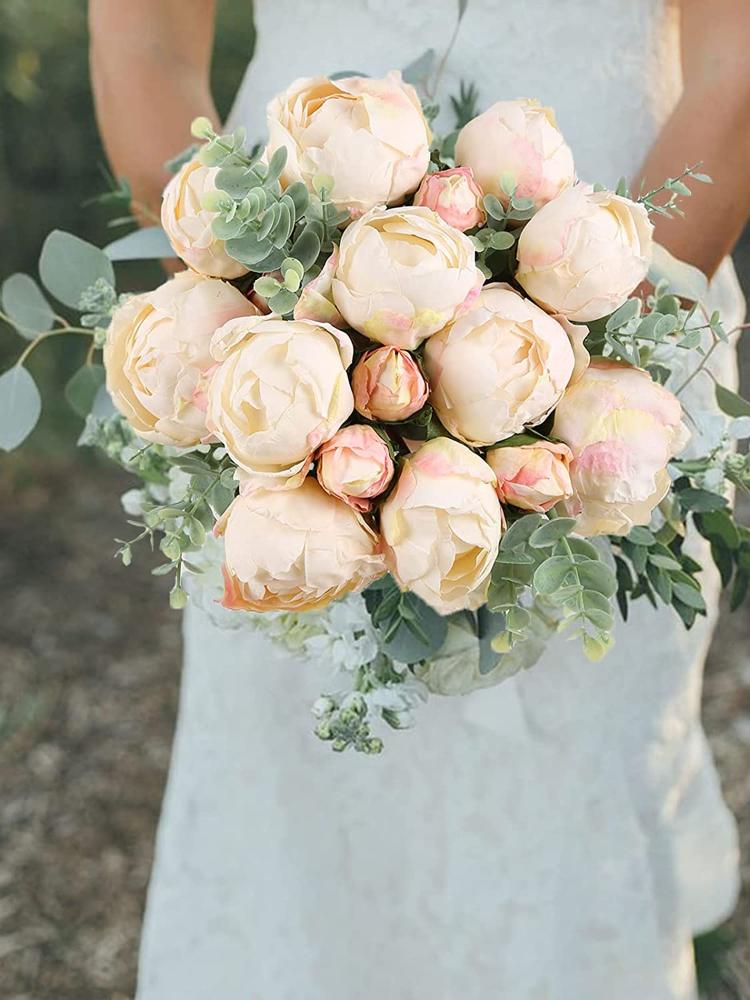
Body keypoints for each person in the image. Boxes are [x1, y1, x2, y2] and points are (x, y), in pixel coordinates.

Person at [89, 2, 749, 998]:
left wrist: (567, 368)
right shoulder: (268, 335)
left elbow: (736, 67)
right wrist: (251, 312)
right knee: (294, 786)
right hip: (280, 311)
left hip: (632, 281)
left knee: (573, 788)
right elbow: (142, 44)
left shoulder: (613, 349)